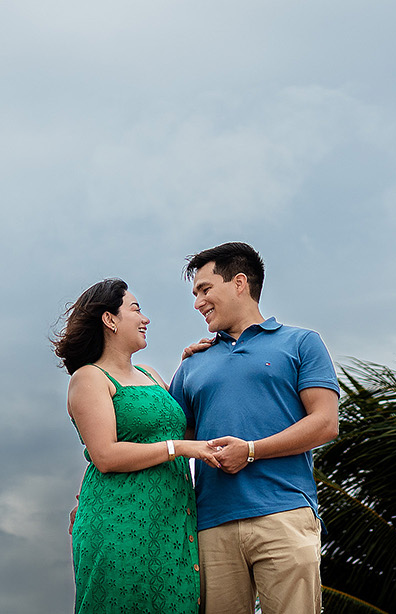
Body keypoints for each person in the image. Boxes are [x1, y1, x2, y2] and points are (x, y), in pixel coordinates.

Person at [170, 242, 340, 614]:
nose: (197, 302)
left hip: (285, 514)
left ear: (239, 283)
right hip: (212, 525)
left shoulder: (301, 343)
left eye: (204, 289)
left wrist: (250, 450)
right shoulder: (191, 365)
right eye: (195, 293)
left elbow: (325, 423)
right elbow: (168, 445)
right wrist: (90, 497)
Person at [58, 278, 216, 614]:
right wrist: (181, 449)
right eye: (136, 309)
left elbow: (173, 426)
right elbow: (105, 455)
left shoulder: (153, 374)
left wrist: (194, 363)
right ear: (110, 320)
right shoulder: (89, 378)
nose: (145, 319)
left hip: (172, 522)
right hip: (121, 523)